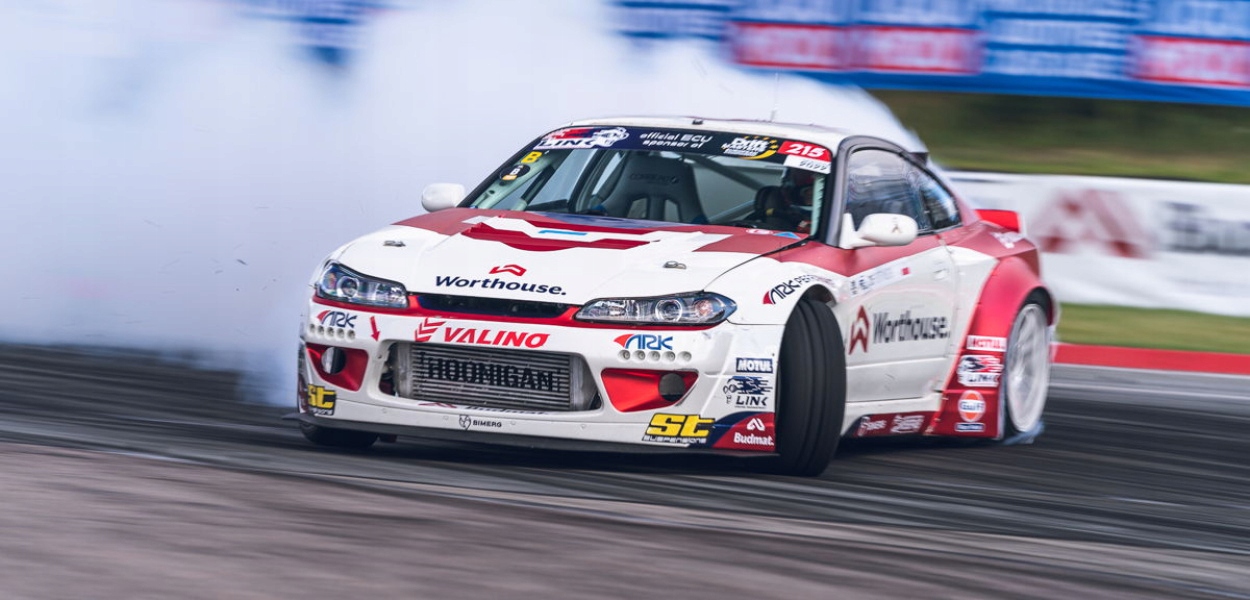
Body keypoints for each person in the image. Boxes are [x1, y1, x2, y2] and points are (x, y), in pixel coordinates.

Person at [757, 168, 817, 232]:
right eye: (806, 192)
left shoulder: (818, 220)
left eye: (812, 192)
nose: (810, 194)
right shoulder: (790, 217)